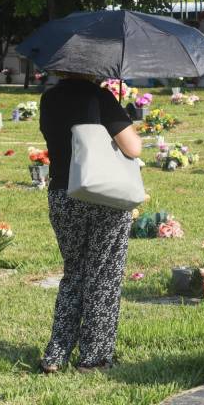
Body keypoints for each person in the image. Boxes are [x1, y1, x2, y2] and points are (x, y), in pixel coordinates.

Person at [39, 72, 142, 373]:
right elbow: (132, 148)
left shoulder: (49, 99)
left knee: (74, 273)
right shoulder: (100, 97)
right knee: (103, 275)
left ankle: (56, 355)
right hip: (102, 195)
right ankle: (93, 357)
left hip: (62, 193)